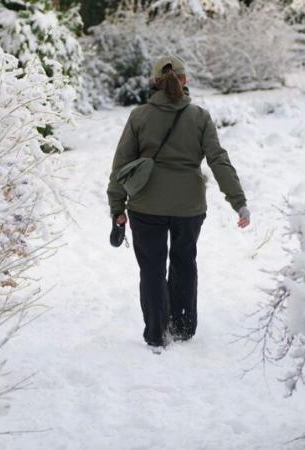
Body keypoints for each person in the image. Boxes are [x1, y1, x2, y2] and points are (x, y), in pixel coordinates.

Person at [107, 55, 251, 349]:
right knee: (185, 263)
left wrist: (117, 208)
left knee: (152, 269)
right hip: (189, 207)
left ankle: (157, 333)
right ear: (185, 81)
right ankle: (183, 327)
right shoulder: (200, 117)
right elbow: (218, 160)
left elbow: (121, 165)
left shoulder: (139, 116)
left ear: (153, 82)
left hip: (145, 206)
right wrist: (239, 202)